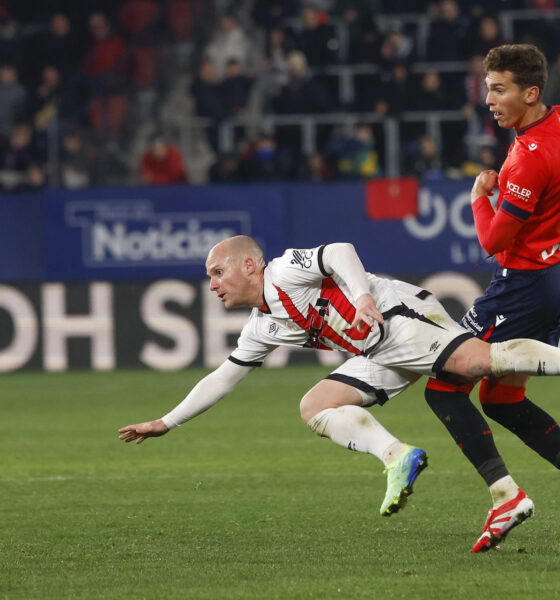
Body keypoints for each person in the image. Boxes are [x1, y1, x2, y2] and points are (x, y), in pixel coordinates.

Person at [119, 236, 560, 548]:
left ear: (249, 265)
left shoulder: (282, 271)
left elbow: (339, 252)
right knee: (316, 405)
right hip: (377, 350)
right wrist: (166, 422)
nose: (212, 283)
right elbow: (223, 376)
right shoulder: (262, 326)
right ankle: (398, 457)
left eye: (218, 271)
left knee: (477, 362)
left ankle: (507, 494)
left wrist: (364, 296)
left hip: (393, 314)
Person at [424, 43, 560, 553]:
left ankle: (505, 495)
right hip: (552, 278)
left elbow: (493, 242)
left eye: (499, 89)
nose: (489, 99)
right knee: (502, 398)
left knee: (443, 387)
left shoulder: (529, 155)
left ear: (530, 92)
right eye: (487, 88)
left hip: (523, 287)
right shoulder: (552, 127)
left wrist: (482, 197)